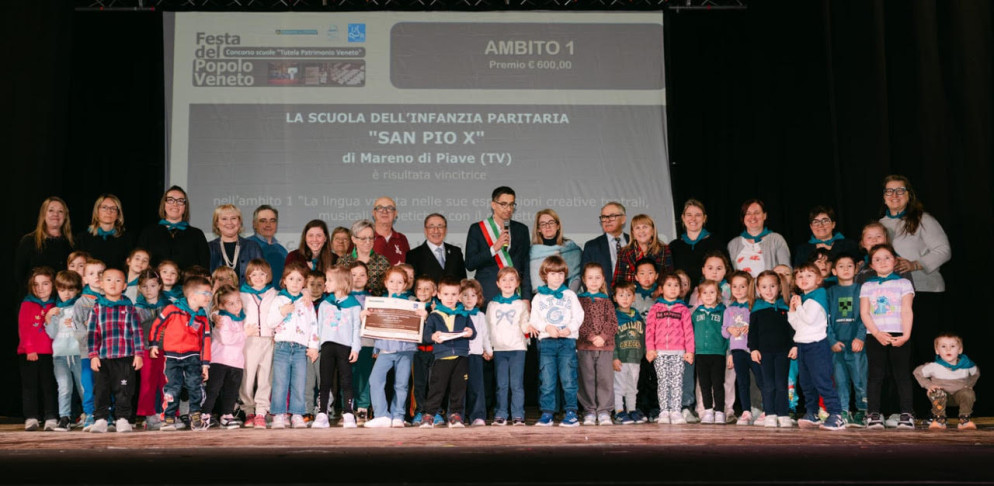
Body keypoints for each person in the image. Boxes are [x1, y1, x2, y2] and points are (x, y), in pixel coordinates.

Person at [878, 175, 951, 373]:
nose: (894, 195)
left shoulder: (923, 219)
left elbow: (944, 250)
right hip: (894, 297)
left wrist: (916, 264)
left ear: (909, 195)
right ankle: (907, 392)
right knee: (902, 352)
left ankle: (935, 388)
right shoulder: (880, 224)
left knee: (925, 346)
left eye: (900, 190)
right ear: (883, 197)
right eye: (889, 191)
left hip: (924, 290)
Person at [859, 244, 916, 430]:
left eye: (887, 258)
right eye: (877, 259)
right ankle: (874, 413)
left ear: (895, 260)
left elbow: (907, 310)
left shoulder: (904, 283)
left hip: (899, 335)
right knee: (875, 376)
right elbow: (864, 313)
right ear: (871, 265)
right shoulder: (867, 286)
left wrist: (906, 335)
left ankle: (906, 413)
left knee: (902, 375)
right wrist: (876, 333)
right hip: (875, 336)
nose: (882, 262)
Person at [149, 275, 213, 431]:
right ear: (192, 295)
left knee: (195, 385)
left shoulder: (202, 318)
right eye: (205, 293)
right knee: (173, 387)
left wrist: (205, 364)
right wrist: (154, 344)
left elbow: (205, 342)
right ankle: (169, 417)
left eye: (210, 293)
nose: (209, 297)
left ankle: (195, 415)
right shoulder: (172, 310)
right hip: (172, 357)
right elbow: (157, 325)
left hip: (193, 357)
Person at [85, 268, 144, 433]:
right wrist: (93, 355)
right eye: (109, 280)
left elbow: (137, 332)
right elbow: (92, 333)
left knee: (124, 389)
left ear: (124, 286)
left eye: (118, 280)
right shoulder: (97, 308)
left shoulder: (129, 308)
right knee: (101, 389)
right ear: (101, 284)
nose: (113, 284)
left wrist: (139, 354)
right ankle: (101, 419)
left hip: (125, 356)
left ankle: (122, 418)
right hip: (103, 357)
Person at [787, 263, 845, 430]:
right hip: (803, 345)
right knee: (806, 382)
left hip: (817, 345)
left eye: (809, 275)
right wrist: (792, 310)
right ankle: (812, 413)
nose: (804, 279)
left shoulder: (818, 295)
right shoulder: (803, 298)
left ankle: (836, 414)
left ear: (819, 279)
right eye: (800, 276)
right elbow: (797, 325)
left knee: (822, 381)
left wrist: (798, 306)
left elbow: (810, 319)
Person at [366, 267, 425, 428]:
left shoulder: (412, 303)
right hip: (385, 349)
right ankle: (381, 415)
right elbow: (373, 326)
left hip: (405, 349)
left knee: (401, 384)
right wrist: (365, 317)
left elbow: (419, 322)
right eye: (392, 281)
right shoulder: (378, 303)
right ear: (386, 283)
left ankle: (398, 415)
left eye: (400, 282)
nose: (395, 285)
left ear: (405, 284)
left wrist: (423, 316)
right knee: (375, 380)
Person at [528, 255, 584, 427]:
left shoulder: (570, 295)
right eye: (553, 274)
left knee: (569, 379)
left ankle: (571, 412)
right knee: (547, 379)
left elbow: (579, 315)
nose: (557, 277)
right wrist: (546, 327)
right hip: (547, 343)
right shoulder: (539, 297)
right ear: (544, 275)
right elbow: (534, 319)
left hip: (567, 342)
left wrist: (570, 329)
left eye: (560, 274)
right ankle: (547, 413)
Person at [265, 262, 320, 429]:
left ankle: (297, 414)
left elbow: (313, 324)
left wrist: (313, 346)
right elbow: (270, 322)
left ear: (304, 283)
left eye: (299, 279)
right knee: (280, 382)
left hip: (301, 348)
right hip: (282, 347)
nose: (295, 283)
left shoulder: (306, 302)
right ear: (284, 281)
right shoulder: (279, 300)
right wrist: (282, 312)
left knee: (299, 382)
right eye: (291, 279)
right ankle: (279, 415)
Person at [419, 276, 477, 428]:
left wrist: (470, 332)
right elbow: (426, 336)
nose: (450, 298)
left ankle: (455, 415)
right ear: (438, 295)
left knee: (458, 388)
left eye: (453, 294)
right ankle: (429, 415)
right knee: (437, 388)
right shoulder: (434, 315)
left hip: (461, 357)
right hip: (442, 358)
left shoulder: (464, 314)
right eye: (446, 294)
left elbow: (473, 333)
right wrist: (433, 336)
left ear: (459, 296)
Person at [313, 265, 362, 429]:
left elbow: (356, 328)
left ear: (341, 282)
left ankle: (348, 413)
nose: (325, 283)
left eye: (329, 280)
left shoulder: (354, 305)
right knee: (325, 381)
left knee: (346, 380)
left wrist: (355, 348)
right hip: (327, 346)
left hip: (345, 347)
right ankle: (322, 413)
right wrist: (316, 346)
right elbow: (319, 327)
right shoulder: (325, 304)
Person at [466, 186, 532, 303]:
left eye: (511, 204)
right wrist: (494, 249)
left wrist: (526, 298)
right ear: (493, 205)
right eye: (503, 204)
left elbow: (525, 266)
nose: (508, 209)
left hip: (515, 294)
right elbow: (470, 264)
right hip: (487, 294)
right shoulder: (477, 229)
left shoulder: (521, 229)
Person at [749, 270, 796, 428]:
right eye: (764, 287)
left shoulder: (785, 306)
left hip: (783, 352)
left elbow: (792, 329)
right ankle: (770, 413)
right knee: (768, 384)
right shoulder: (757, 308)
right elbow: (752, 332)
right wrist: (753, 349)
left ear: (779, 287)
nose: (768, 290)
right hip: (764, 353)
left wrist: (794, 345)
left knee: (782, 383)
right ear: (758, 289)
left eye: (772, 286)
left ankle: (783, 413)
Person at [645, 273, 693, 425]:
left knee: (677, 382)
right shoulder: (655, 308)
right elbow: (649, 331)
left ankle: (676, 411)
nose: (673, 289)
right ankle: (664, 411)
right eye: (669, 285)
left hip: (678, 352)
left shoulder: (683, 309)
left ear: (680, 289)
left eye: (676, 285)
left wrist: (689, 351)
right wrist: (650, 349)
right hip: (660, 353)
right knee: (663, 382)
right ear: (661, 289)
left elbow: (688, 331)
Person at [826, 254, 867, 427]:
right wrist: (831, 340)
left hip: (856, 343)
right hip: (837, 344)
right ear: (834, 271)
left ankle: (863, 411)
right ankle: (843, 410)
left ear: (856, 269)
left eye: (849, 266)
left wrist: (860, 337)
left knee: (860, 378)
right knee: (840, 379)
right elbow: (825, 319)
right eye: (841, 266)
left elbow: (866, 315)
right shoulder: (829, 292)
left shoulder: (862, 290)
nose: (845, 269)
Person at [486, 267, 530, 426]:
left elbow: (524, 324)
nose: (508, 283)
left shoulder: (521, 304)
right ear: (498, 283)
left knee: (516, 384)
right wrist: (488, 347)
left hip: (517, 348)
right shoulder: (492, 305)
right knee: (501, 384)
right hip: (499, 349)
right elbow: (488, 326)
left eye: (512, 279)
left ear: (517, 283)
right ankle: (501, 414)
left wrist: (529, 327)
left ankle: (518, 415)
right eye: (504, 280)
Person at [576, 263, 618, 426]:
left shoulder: (607, 301)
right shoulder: (579, 301)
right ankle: (589, 410)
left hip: (605, 347)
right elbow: (578, 322)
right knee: (587, 379)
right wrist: (592, 337)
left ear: (603, 280)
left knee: (604, 378)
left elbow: (612, 323)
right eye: (590, 278)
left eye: (597, 278)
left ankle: (604, 411)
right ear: (584, 280)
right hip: (585, 347)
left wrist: (603, 337)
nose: (594, 281)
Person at [239, 259, 278, 429]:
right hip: (249, 341)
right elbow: (226, 310)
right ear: (248, 276)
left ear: (268, 275)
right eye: (254, 274)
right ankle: (249, 411)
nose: (258, 277)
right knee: (247, 378)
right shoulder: (241, 295)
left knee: (265, 377)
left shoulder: (275, 294)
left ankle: (261, 412)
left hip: (268, 340)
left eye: (262, 274)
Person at [201, 285, 246, 430]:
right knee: (213, 389)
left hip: (236, 362)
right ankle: (205, 415)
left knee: (231, 391)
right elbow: (227, 339)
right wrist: (246, 333)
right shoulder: (223, 319)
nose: (236, 305)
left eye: (238, 301)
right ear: (221, 306)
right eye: (231, 303)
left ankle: (227, 415)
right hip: (220, 361)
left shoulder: (240, 318)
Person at [19, 267, 58, 431]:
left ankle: (51, 416)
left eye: (45, 283)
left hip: (51, 353)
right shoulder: (27, 303)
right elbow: (24, 328)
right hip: (30, 353)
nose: (40, 288)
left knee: (49, 386)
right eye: (36, 284)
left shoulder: (56, 304)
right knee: (30, 387)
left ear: (53, 285)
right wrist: (29, 348)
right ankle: (31, 417)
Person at [914, 333, 980, 430]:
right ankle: (940, 420)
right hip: (941, 397)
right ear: (937, 350)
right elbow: (917, 372)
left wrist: (969, 385)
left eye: (952, 346)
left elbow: (976, 373)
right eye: (943, 346)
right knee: (936, 392)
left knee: (968, 393)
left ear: (960, 350)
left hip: (959, 396)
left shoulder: (967, 365)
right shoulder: (934, 366)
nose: (948, 350)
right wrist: (929, 385)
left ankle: (964, 420)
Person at [44, 270, 84, 432]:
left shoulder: (80, 307)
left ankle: (91, 414)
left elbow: (86, 331)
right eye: (62, 290)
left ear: (77, 290)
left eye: (70, 289)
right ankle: (64, 418)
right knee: (64, 388)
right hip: (60, 355)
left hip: (78, 354)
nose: (66, 293)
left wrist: (75, 324)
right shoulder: (56, 310)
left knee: (83, 387)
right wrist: (49, 318)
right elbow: (52, 334)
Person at [136, 186, 210, 271]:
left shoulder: (197, 234)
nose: (175, 204)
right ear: (164, 204)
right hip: (156, 279)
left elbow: (204, 268)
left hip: (188, 279)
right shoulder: (148, 233)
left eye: (180, 201)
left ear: (185, 207)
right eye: (170, 200)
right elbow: (140, 263)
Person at [722, 271, 762, 426]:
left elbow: (760, 327)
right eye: (735, 286)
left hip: (753, 350)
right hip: (737, 350)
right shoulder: (729, 309)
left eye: (742, 286)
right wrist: (730, 329)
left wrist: (751, 328)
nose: (738, 290)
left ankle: (767, 409)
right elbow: (724, 332)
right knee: (742, 382)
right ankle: (746, 411)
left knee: (760, 379)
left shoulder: (755, 306)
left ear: (750, 287)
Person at [15, 197, 74, 294]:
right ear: (43, 214)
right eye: (51, 210)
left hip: (64, 299)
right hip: (35, 298)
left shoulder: (72, 243)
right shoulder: (29, 241)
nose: (55, 214)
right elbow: (20, 276)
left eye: (60, 211)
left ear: (65, 216)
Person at [73, 258, 105, 430]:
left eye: (101, 273)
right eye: (92, 273)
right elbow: (77, 325)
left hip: (108, 350)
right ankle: (90, 414)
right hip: (88, 351)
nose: (97, 276)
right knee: (89, 383)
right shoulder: (81, 302)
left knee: (107, 383)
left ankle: (107, 414)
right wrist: (90, 335)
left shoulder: (111, 299)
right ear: (85, 279)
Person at [134, 269, 167, 430]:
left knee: (165, 381)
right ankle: (149, 414)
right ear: (139, 288)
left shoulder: (168, 306)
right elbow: (134, 331)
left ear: (159, 286)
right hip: (146, 350)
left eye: (153, 285)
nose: (149, 290)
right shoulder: (137, 308)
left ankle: (167, 414)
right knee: (148, 382)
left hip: (166, 349)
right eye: (144, 286)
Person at [691, 280, 728, 425]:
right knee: (704, 384)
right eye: (705, 293)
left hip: (718, 353)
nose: (708, 295)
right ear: (699, 295)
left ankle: (719, 412)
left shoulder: (723, 311)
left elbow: (727, 332)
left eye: (712, 292)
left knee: (718, 384)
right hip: (701, 354)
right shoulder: (696, 313)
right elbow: (691, 332)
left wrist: (728, 351)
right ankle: (708, 411)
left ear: (718, 294)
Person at [669, 199, 727, 287]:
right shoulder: (674, 246)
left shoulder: (716, 243)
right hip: (681, 294)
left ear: (704, 218)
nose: (693, 219)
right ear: (683, 218)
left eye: (698, 215)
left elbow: (728, 273)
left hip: (709, 294)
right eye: (689, 215)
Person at [727, 199, 791, 278]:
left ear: (764, 215)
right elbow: (728, 275)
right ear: (743, 218)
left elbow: (787, 273)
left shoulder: (776, 240)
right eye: (748, 213)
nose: (753, 217)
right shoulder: (733, 244)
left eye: (757, 213)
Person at [611, 281, 645, 425]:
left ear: (634, 297)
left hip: (635, 358)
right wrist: (614, 357)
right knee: (619, 387)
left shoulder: (637, 316)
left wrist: (642, 352)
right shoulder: (614, 316)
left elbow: (642, 336)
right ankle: (619, 411)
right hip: (621, 358)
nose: (625, 298)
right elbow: (611, 338)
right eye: (621, 295)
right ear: (615, 298)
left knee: (632, 387)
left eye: (628, 295)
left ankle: (632, 409)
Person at [74, 194, 135, 272]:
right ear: (97, 211)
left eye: (113, 208)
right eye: (104, 207)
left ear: (118, 214)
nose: (109, 211)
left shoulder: (127, 238)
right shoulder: (82, 238)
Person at [631, 258, 660, 423]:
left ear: (656, 275)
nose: (646, 277)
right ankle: (640, 408)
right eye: (642, 273)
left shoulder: (661, 295)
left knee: (655, 377)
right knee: (639, 377)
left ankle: (655, 408)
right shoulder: (631, 295)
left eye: (650, 273)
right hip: (636, 344)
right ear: (636, 277)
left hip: (656, 344)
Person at [530, 209, 583, 293]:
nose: (547, 226)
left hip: (569, 296)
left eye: (551, 222)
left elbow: (577, 276)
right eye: (543, 224)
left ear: (558, 226)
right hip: (541, 297)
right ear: (538, 229)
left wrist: (568, 295)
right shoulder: (532, 253)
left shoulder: (571, 248)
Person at [208, 204, 264, 284]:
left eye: (233, 218)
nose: (229, 222)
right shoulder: (209, 248)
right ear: (217, 223)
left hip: (248, 292)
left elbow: (262, 276)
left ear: (240, 222)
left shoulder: (253, 247)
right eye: (224, 219)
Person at [581, 202, 629, 292]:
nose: (607, 220)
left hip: (632, 297)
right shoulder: (592, 246)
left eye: (612, 216)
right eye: (604, 217)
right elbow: (585, 277)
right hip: (603, 297)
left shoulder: (634, 242)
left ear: (623, 219)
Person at [461, 279, 491, 426]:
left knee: (477, 386)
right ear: (459, 297)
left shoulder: (480, 316)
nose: (469, 299)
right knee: (459, 387)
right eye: (465, 295)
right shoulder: (457, 314)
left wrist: (488, 349)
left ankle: (478, 415)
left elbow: (485, 335)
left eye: (473, 295)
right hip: (460, 355)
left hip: (476, 355)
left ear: (478, 298)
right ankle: (457, 415)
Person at [614, 214, 673, 286]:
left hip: (656, 293)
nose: (641, 231)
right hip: (630, 293)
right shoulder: (624, 252)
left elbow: (670, 279)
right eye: (637, 228)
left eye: (645, 227)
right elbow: (617, 282)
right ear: (633, 233)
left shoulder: (664, 250)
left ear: (653, 231)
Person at [406, 213, 467, 283]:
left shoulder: (456, 252)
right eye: (431, 227)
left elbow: (463, 282)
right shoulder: (413, 255)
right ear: (425, 230)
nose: (436, 231)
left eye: (440, 226)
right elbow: (411, 284)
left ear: (445, 230)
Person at [792, 206, 859, 268]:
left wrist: (831, 250)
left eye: (825, 221)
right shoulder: (802, 250)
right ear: (811, 226)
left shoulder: (849, 245)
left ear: (833, 224)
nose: (820, 225)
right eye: (816, 222)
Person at [338, 219, 391, 297]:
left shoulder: (383, 262)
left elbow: (388, 290)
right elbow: (338, 287)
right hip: (348, 303)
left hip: (376, 303)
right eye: (363, 238)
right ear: (354, 239)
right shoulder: (343, 261)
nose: (368, 242)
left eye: (371, 238)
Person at [247, 205, 288, 288]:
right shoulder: (246, 246)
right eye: (263, 221)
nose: (268, 225)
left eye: (272, 221)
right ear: (254, 224)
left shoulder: (282, 250)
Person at [371, 196, 410, 265]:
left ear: (395, 214)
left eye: (389, 208)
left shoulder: (402, 239)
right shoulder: (364, 238)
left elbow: (408, 266)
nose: (385, 211)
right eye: (380, 208)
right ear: (374, 213)